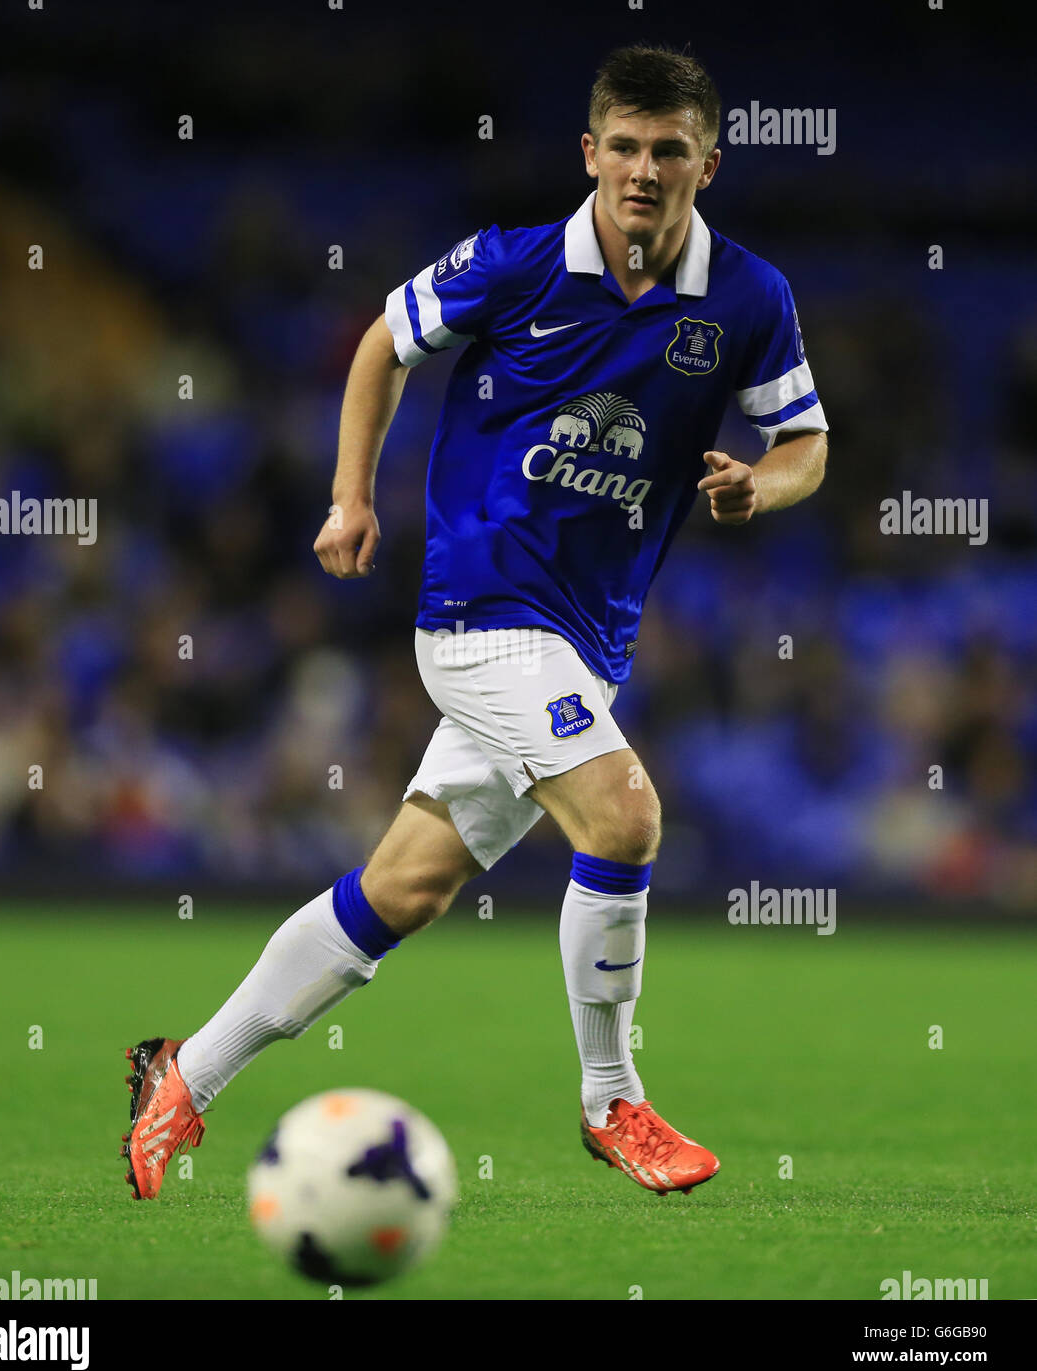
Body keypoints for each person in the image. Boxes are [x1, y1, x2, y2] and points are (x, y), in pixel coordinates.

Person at [121, 42, 828, 1201]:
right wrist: (350, 496)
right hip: (477, 612)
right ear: (589, 152)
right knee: (625, 814)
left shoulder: (749, 297)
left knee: (403, 889)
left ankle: (182, 1076)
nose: (643, 171)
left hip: (588, 641)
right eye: (624, 148)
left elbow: (805, 441)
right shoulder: (511, 266)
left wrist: (764, 483)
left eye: (669, 150)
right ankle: (615, 1104)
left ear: (710, 160)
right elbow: (382, 345)